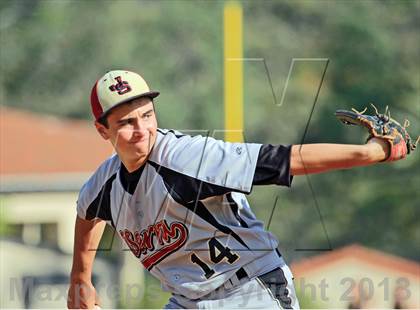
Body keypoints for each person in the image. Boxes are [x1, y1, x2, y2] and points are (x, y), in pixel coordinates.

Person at [67, 70, 407, 309]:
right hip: (187, 302)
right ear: (102, 130)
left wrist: (370, 153)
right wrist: (80, 278)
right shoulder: (104, 186)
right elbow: (87, 214)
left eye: (147, 115)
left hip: (250, 290)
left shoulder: (187, 158)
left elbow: (282, 160)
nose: (142, 129)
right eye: (126, 122)